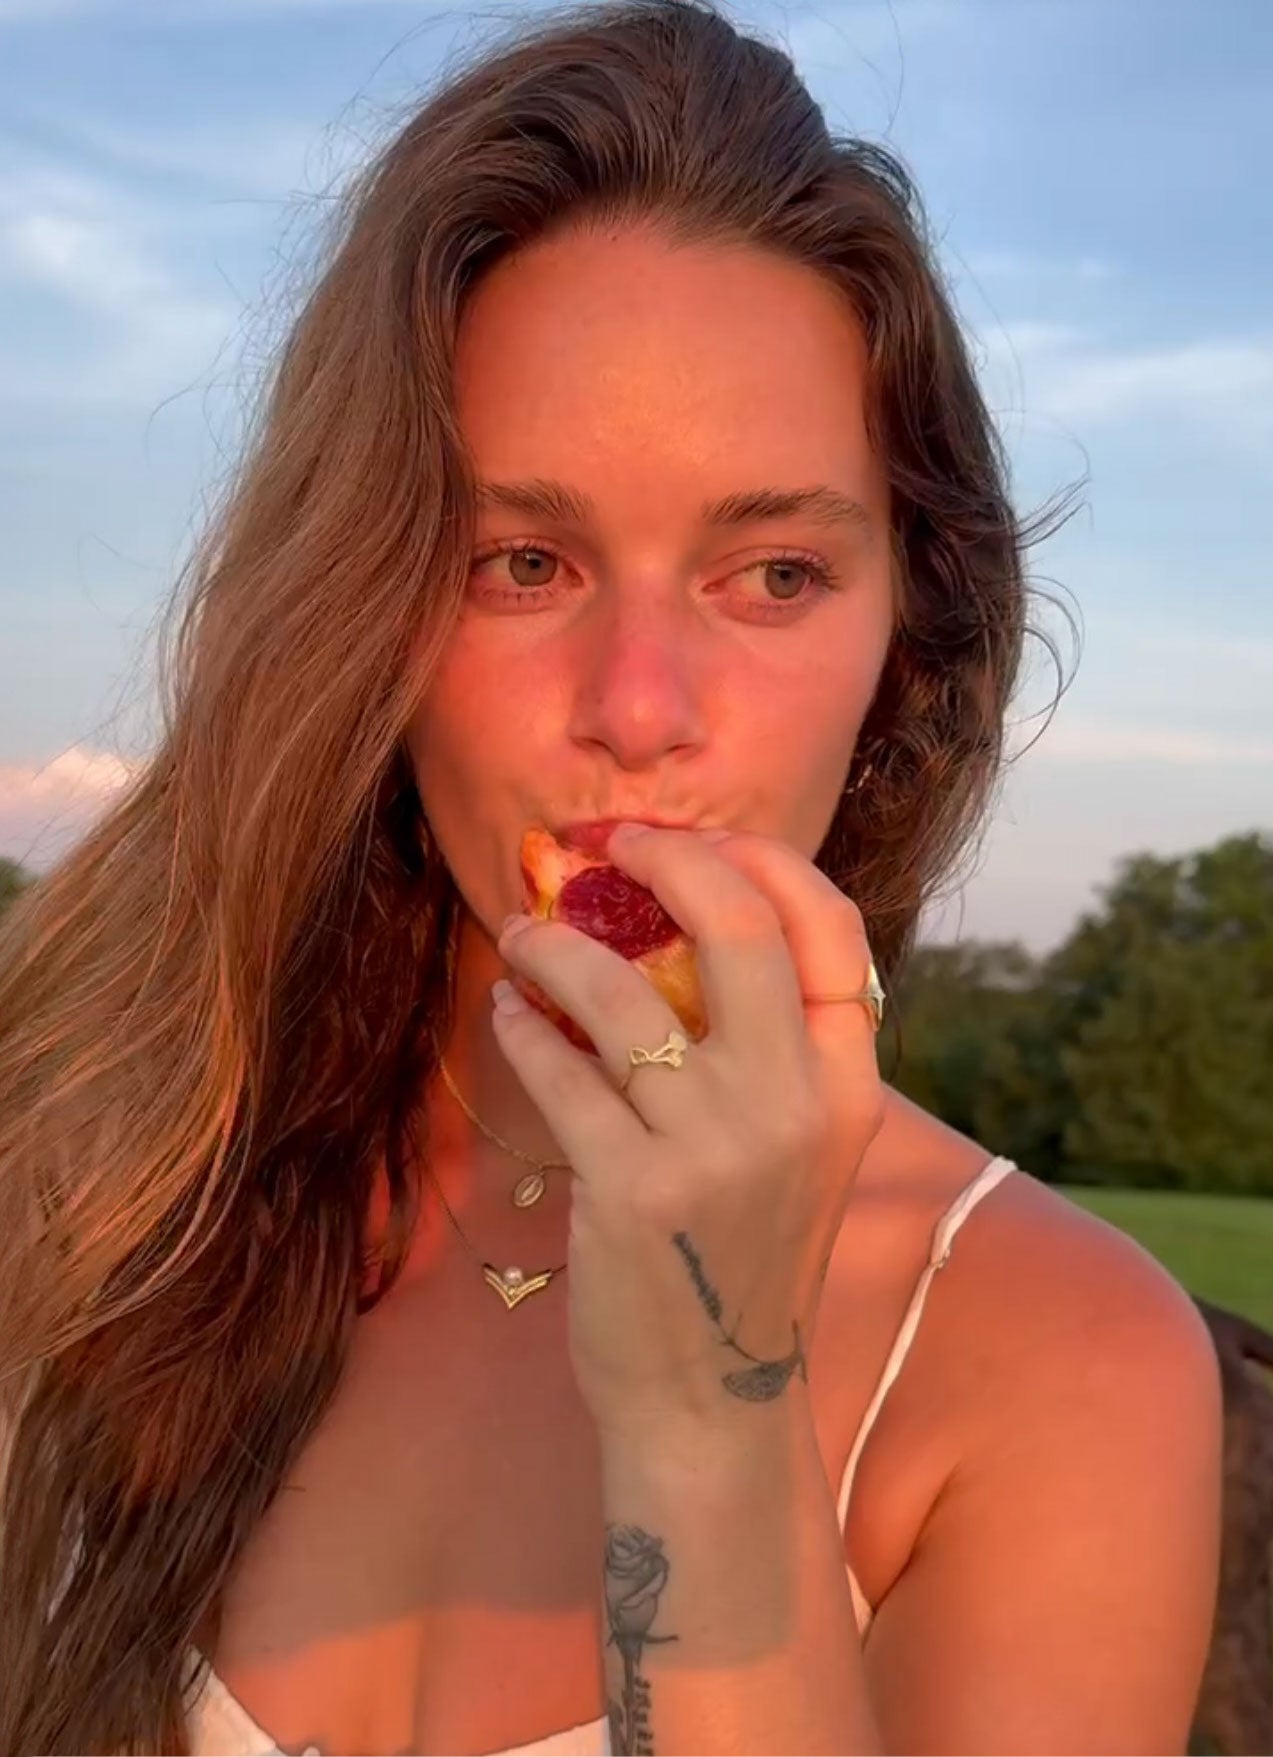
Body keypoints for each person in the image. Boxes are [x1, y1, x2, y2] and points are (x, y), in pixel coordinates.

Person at [0, 1, 1224, 1752]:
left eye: (776, 573)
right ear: (363, 614)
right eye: (521, 558)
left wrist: (711, 1417)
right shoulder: (112, 1169)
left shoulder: (1068, 1362)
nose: (640, 712)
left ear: (907, 635)